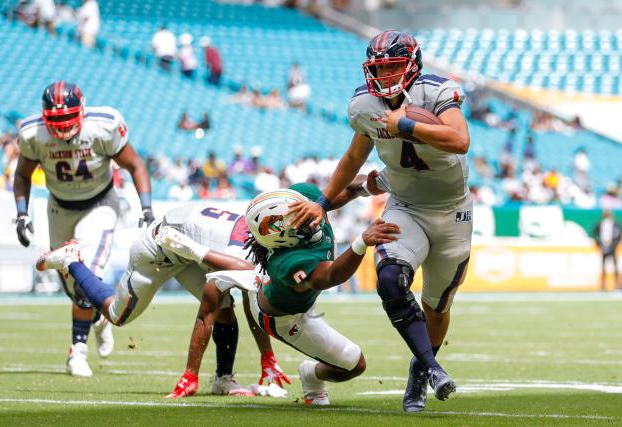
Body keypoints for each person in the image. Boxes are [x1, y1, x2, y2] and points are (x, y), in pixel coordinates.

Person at [287, 30, 471, 412]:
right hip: (405, 205)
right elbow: (353, 159)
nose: (386, 77)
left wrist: (406, 125)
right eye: (380, 69)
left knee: (436, 306)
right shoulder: (364, 105)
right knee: (390, 278)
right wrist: (322, 202)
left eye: (393, 67)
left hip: (452, 210)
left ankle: (419, 369)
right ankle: (433, 368)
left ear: (413, 65)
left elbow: (459, 140)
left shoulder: (436, 91)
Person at [169, 183, 400, 405]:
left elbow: (348, 188)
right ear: (285, 237)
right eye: (298, 219)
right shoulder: (287, 262)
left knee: (247, 275)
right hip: (284, 318)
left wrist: (380, 181)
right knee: (354, 364)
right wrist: (361, 242)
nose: (308, 214)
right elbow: (331, 276)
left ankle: (234, 272)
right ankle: (311, 374)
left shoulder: (300, 200)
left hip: (291, 289)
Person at [36, 204, 290, 396]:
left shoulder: (256, 233)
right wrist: (190, 375)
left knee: (225, 306)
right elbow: (207, 311)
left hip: (189, 248)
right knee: (117, 315)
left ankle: (223, 379)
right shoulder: (241, 252)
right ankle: (71, 260)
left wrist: (267, 357)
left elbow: (251, 297)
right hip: (158, 249)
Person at [14, 81, 154, 377]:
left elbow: (136, 164)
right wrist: (22, 214)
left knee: (86, 272)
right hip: (60, 208)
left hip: (99, 205)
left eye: (68, 119)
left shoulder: (103, 126)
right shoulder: (32, 133)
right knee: (71, 284)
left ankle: (77, 350)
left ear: (82, 111)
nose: (63, 128)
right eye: (56, 121)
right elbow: (22, 175)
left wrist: (146, 207)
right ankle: (101, 318)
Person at [593, 210, 621, 291]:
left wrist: (614, 245)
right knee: (603, 267)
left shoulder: (615, 225)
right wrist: (600, 244)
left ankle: (617, 284)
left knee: (615, 266)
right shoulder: (600, 224)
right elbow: (595, 235)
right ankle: (603, 285)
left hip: (612, 248)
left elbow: (618, 236)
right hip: (603, 248)